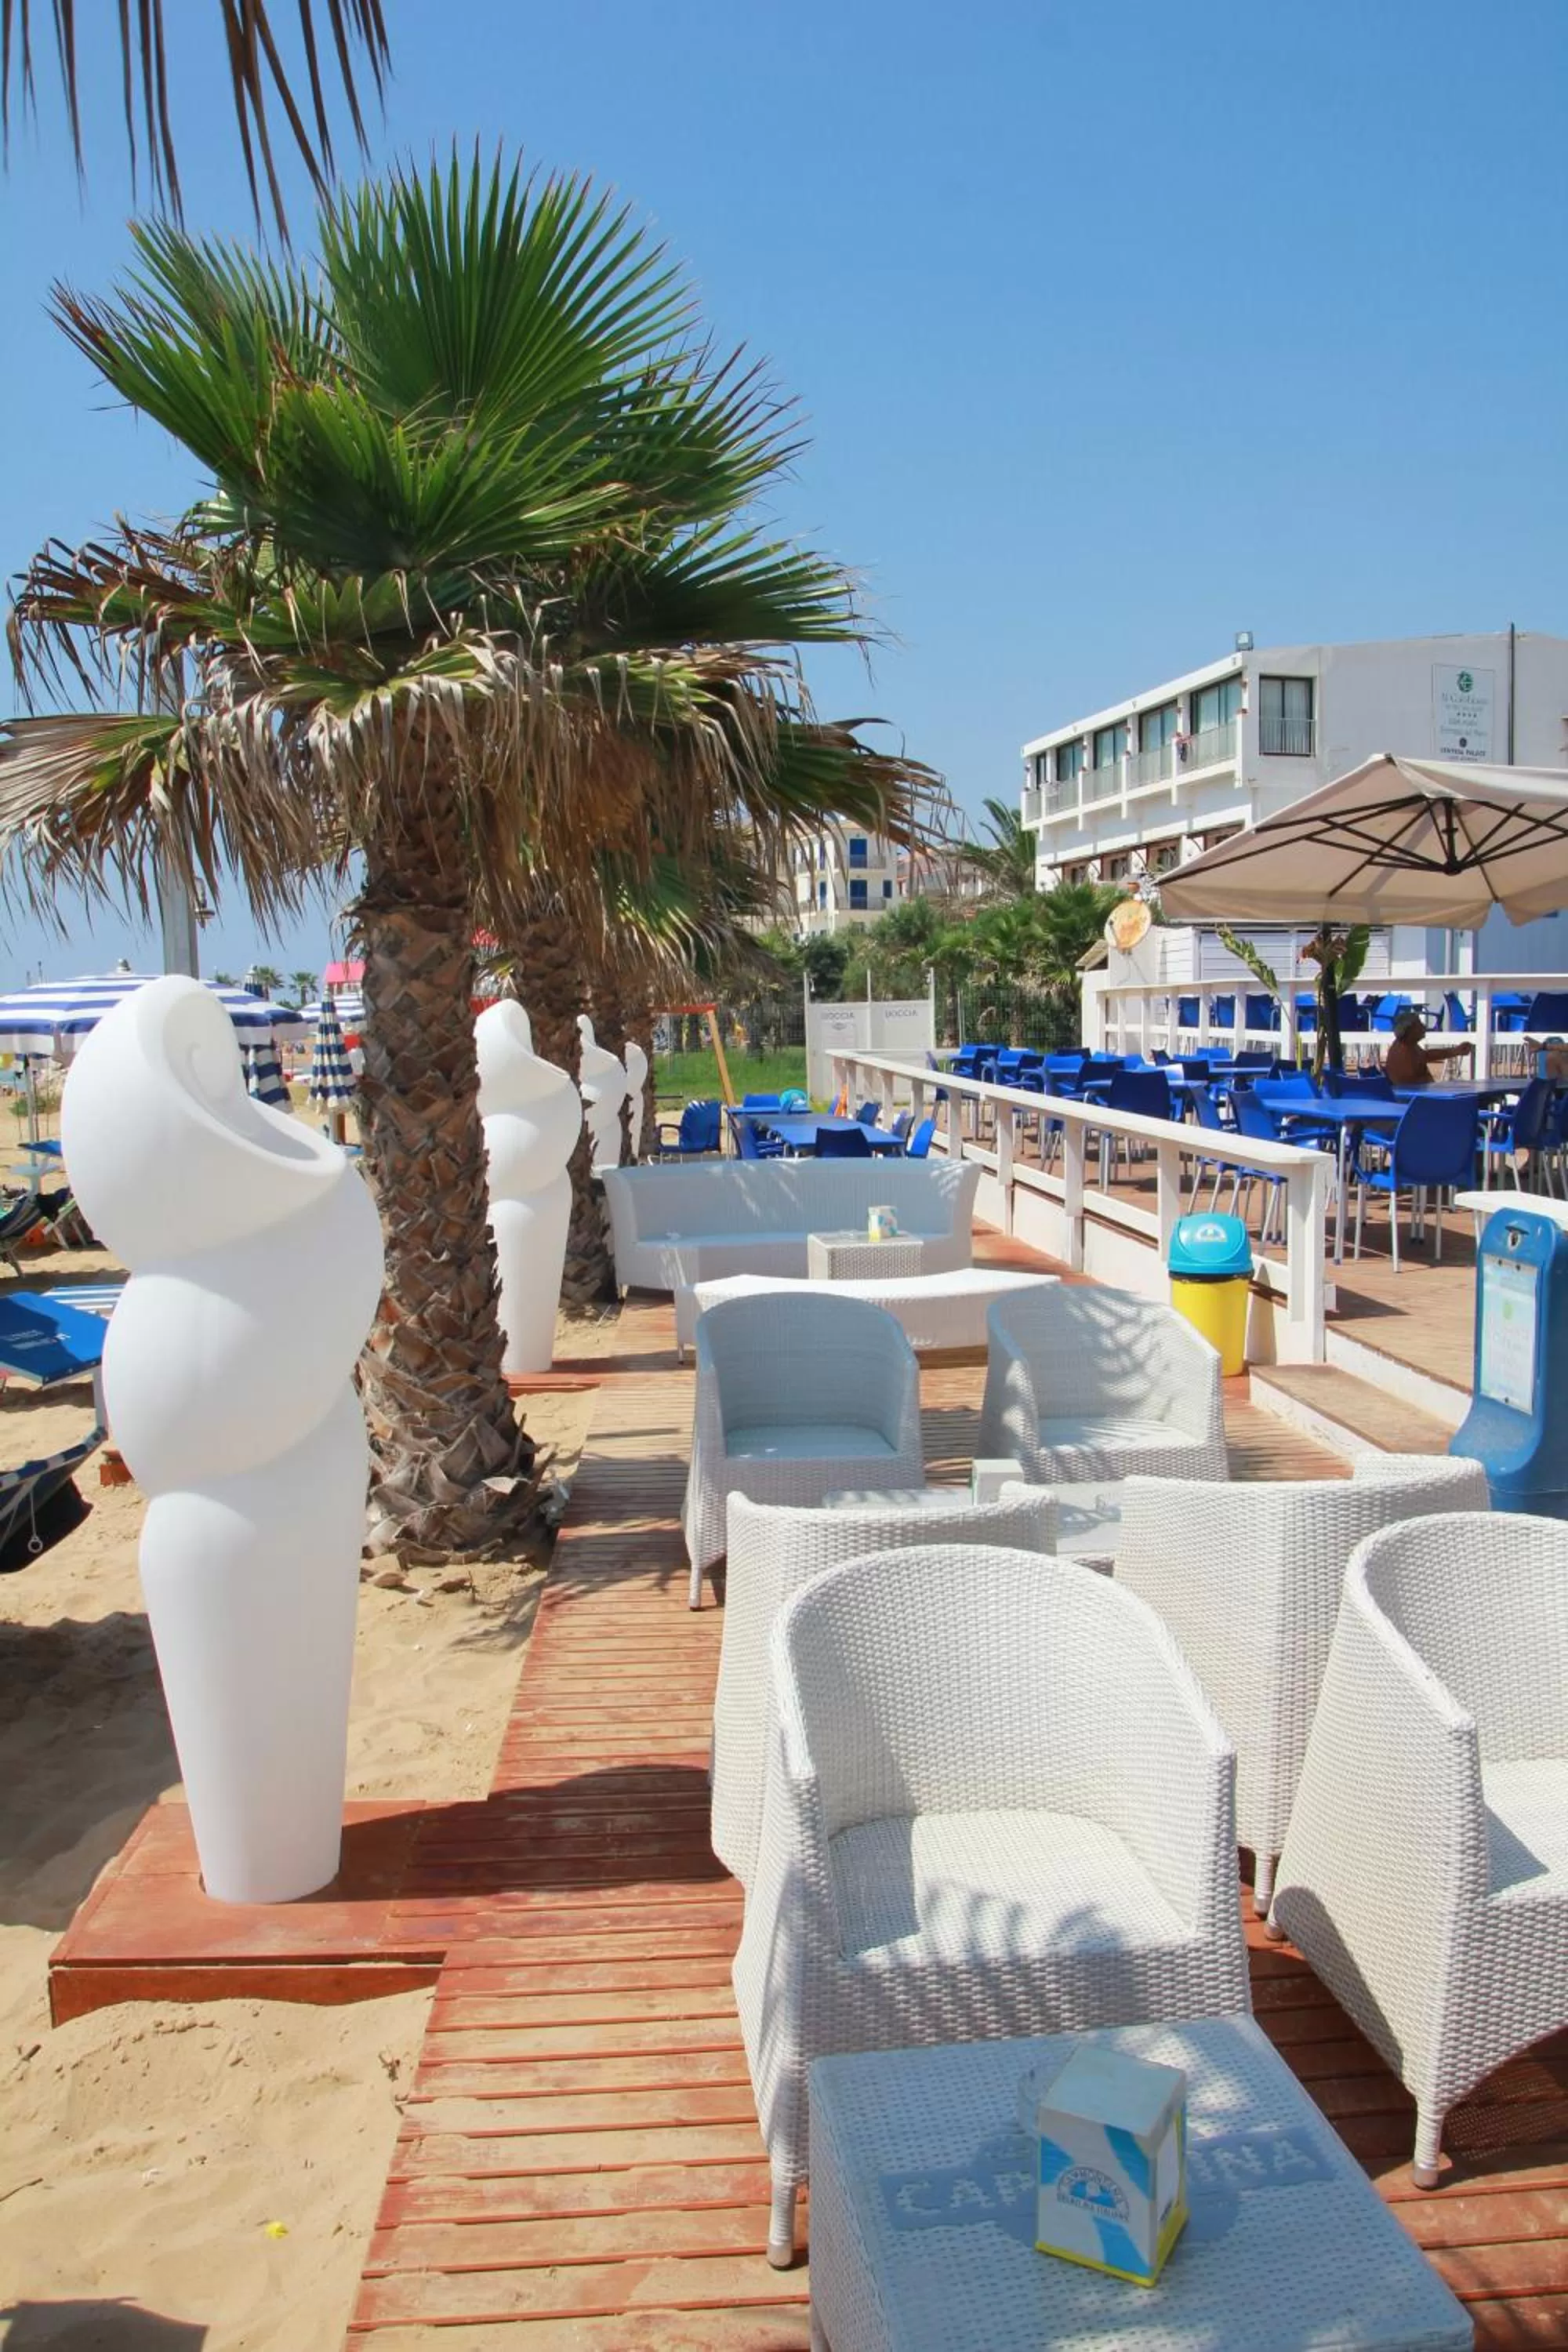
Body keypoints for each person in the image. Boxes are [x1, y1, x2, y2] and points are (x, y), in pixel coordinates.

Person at [1383, 1007, 1473, 1088]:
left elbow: (1426, 1055)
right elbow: (1412, 1087)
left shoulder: (1407, 1044)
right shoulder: (1404, 1052)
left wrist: (1456, 1051)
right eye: (1419, 1025)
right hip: (1415, 1097)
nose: (1424, 1026)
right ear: (1409, 1030)